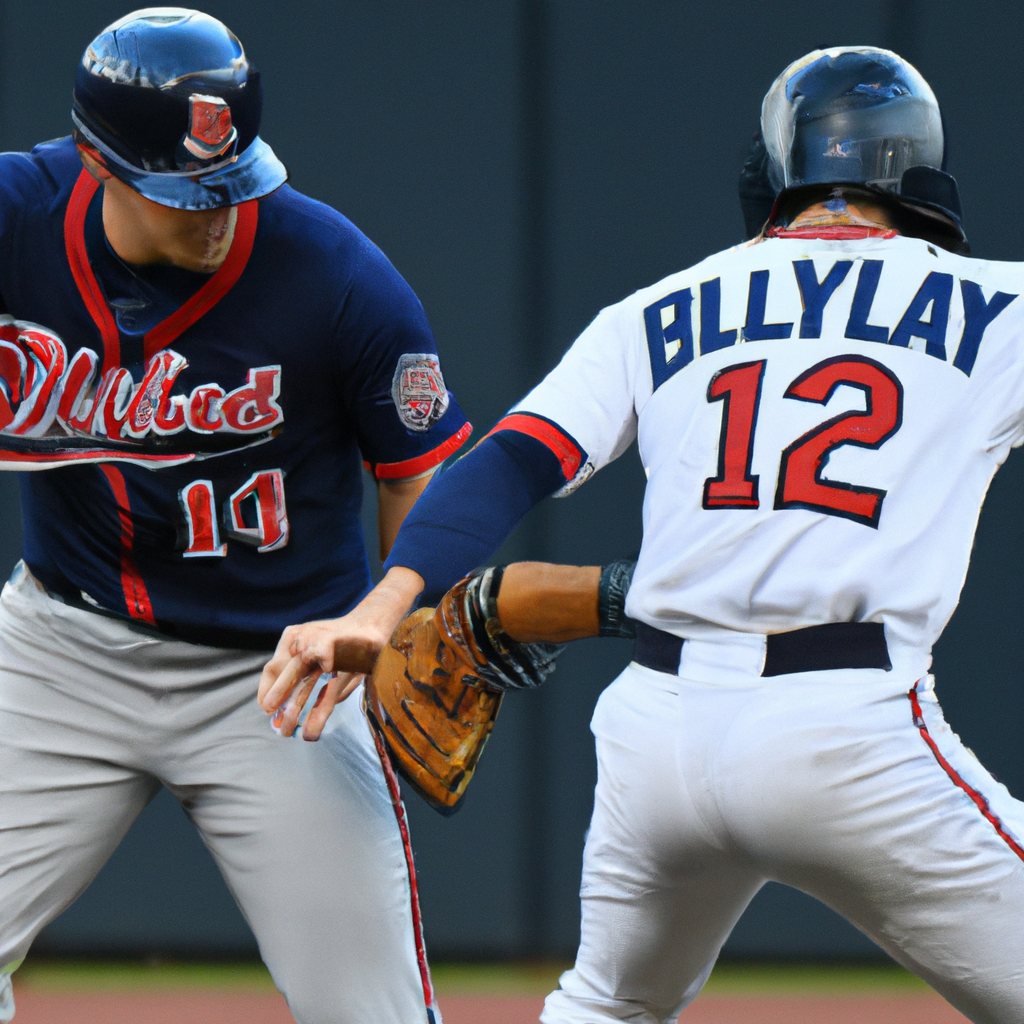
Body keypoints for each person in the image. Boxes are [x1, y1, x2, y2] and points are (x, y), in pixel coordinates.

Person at [261, 47, 1024, 1023]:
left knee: (605, 1006)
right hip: (846, 729)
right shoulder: (995, 306)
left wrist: (381, 602)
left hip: (657, 734)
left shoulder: (658, 309)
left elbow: (504, 463)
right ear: (915, 172)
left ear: (774, 172)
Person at [0, 9, 471, 1024]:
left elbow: (420, 475)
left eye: (232, 180)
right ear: (99, 162)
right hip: (59, 650)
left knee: (372, 1013)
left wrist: (403, 625)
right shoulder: (13, 221)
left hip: (280, 673)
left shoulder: (336, 275)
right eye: (185, 193)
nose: (214, 212)